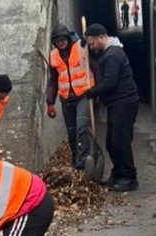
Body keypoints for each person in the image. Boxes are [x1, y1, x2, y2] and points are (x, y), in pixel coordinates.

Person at [85, 23, 140, 191]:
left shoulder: (114, 55)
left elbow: (110, 82)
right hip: (116, 103)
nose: (92, 47)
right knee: (111, 142)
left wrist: (92, 92)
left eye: (92, 43)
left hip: (124, 102)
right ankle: (118, 174)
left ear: (101, 37)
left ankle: (130, 178)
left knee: (121, 141)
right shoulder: (107, 53)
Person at [46, 24, 93, 171]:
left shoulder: (81, 47)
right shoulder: (53, 56)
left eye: (63, 39)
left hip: (83, 95)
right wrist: (50, 102)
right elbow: (53, 81)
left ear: (67, 38)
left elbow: (95, 66)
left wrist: (98, 92)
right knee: (72, 132)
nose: (61, 43)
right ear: (55, 42)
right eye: (58, 41)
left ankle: (84, 161)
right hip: (66, 99)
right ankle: (75, 159)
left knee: (82, 129)